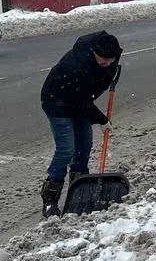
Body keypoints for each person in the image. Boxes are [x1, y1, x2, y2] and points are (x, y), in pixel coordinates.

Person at [39, 30, 123, 217]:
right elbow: (81, 99)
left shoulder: (110, 55)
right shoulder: (76, 65)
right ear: (93, 52)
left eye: (110, 60)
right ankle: (50, 199)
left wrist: (108, 70)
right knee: (66, 150)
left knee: (84, 147)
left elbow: (88, 95)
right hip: (57, 103)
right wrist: (101, 119)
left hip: (80, 103)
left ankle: (77, 192)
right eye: (102, 60)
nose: (106, 63)